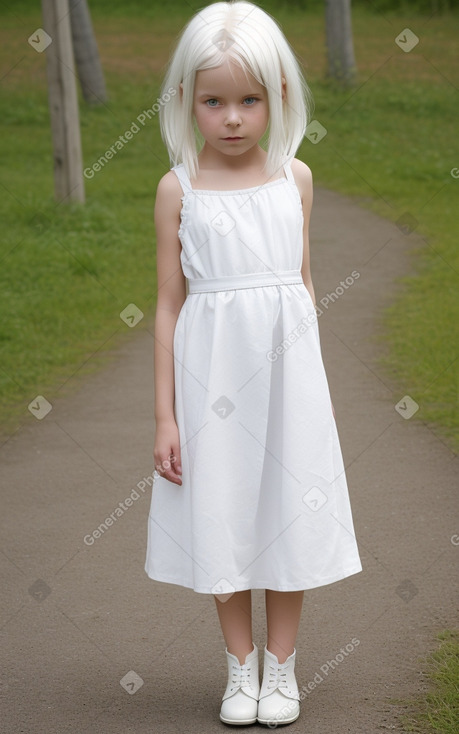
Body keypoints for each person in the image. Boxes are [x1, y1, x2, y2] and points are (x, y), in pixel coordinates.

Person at [145, 1, 362, 726]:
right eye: (214, 101)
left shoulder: (292, 180)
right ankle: (238, 670)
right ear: (186, 102)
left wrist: (312, 393)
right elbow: (169, 304)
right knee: (224, 512)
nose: (232, 118)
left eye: (249, 100)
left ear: (279, 99)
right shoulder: (179, 189)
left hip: (286, 379)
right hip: (210, 384)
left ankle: (283, 667)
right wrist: (166, 416)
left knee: (285, 516)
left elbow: (298, 285)